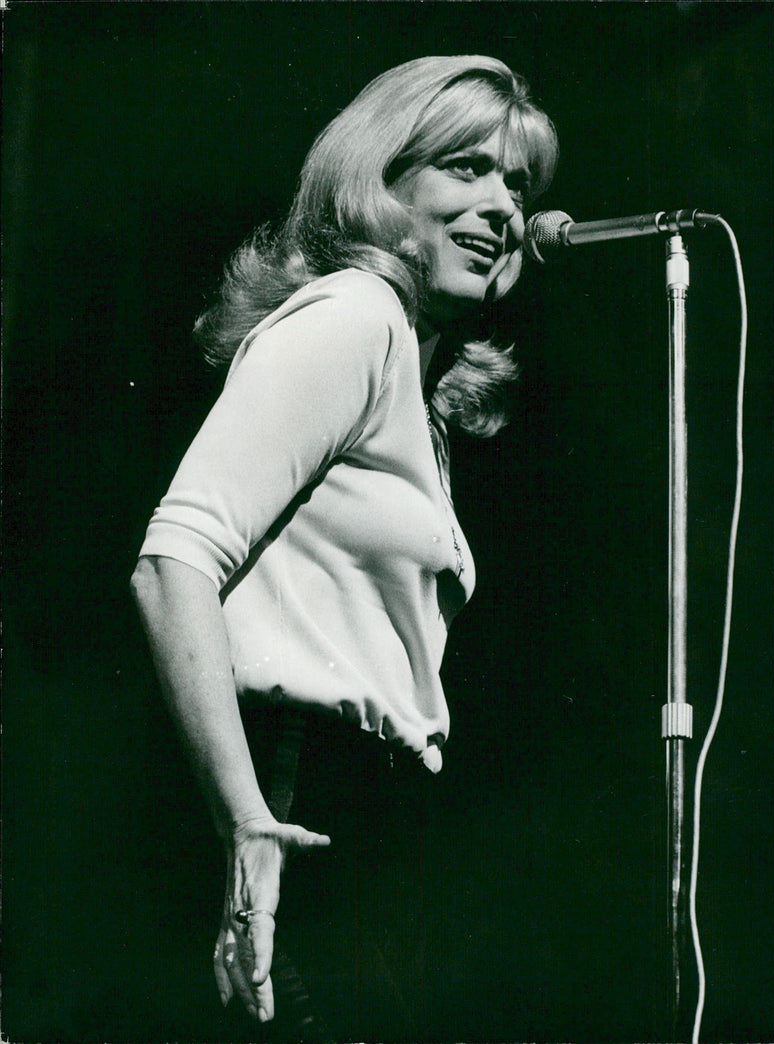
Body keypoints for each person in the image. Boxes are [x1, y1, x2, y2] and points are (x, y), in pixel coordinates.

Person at [131, 54, 558, 1041]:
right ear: (380, 181)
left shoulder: (414, 372)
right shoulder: (354, 318)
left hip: (370, 821)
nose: (502, 207)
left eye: (517, 182)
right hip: (300, 794)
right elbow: (172, 562)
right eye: (465, 167)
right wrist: (248, 829)